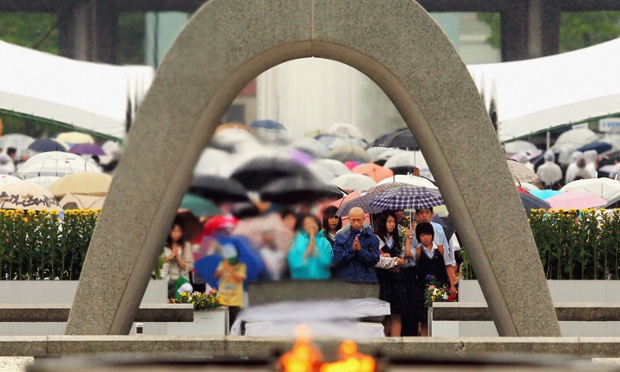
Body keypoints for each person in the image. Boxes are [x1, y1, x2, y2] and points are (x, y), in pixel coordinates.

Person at [409, 222, 456, 337]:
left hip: (440, 286)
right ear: (419, 237)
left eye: (428, 234)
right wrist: (408, 237)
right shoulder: (418, 251)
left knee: (439, 317)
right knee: (424, 319)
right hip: (422, 289)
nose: (426, 238)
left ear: (432, 235)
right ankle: (424, 344)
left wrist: (452, 285)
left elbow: (448, 266)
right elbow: (407, 255)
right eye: (422, 235)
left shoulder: (440, 249)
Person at [374, 211, 408, 337]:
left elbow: (406, 257)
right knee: (384, 315)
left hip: (397, 279)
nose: (392, 224)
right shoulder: (376, 238)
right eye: (389, 221)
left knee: (396, 313)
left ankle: (396, 344)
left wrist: (399, 262)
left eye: (394, 221)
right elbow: (375, 258)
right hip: (383, 280)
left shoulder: (399, 239)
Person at [332, 207, 380, 282]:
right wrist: (352, 250)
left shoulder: (372, 237)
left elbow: (375, 259)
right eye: (353, 220)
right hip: (346, 280)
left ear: (364, 219)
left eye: (359, 220)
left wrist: (360, 250)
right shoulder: (340, 236)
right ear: (348, 219)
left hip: (367, 279)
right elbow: (336, 259)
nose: (356, 223)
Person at [288, 214, 333, 280]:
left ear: (318, 225)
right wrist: (308, 251)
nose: (311, 225)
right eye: (307, 223)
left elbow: (328, 262)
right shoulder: (298, 240)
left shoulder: (324, 242)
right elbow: (294, 262)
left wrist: (316, 250)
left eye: (313, 223)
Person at [161, 217, 195, 299]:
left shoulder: (186, 245)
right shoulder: (162, 245)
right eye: (175, 231)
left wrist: (178, 258)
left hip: (181, 283)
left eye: (180, 231)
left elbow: (189, 266)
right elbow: (157, 265)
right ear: (169, 231)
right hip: (165, 282)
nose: (177, 234)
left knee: (180, 305)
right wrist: (169, 258)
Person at [214, 243, 247, 328]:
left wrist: (230, 269)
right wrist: (224, 268)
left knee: (234, 323)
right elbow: (216, 275)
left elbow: (240, 278)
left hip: (235, 300)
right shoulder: (222, 264)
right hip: (223, 298)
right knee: (222, 323)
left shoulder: (241, 266)